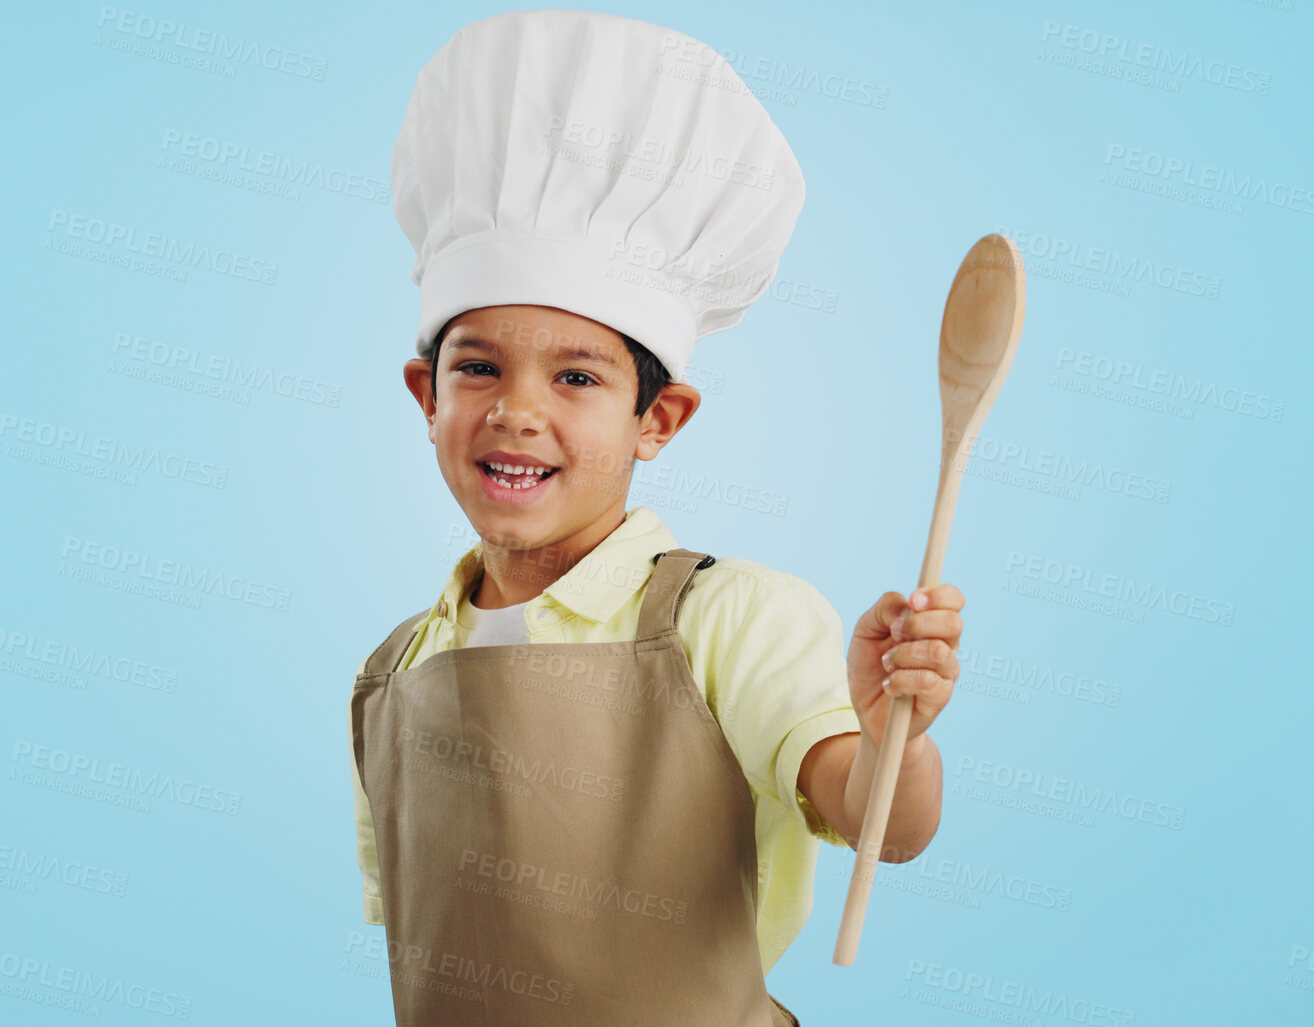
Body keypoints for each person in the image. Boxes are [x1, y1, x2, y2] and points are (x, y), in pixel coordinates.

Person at [348, 10, 966, 1025]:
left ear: (658, 419)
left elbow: (883, 825)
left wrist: (896, 725)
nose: (516, 409)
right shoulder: (392, 673)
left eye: (578, 376)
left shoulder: (727, 618)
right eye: (477, 367)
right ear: (426, 395)